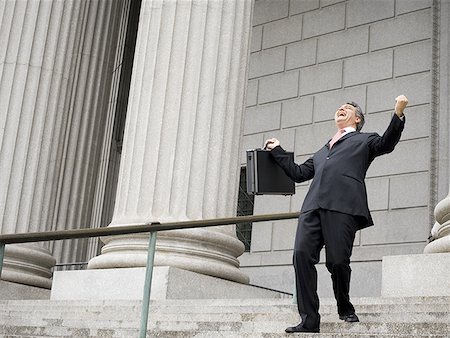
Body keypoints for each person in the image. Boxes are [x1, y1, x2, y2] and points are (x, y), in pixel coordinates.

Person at [264, 95, 408, 333]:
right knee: (301, 255)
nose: (341, 108)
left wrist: (398, 113)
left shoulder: (365, 140)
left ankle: (344, 304)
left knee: (338, 261)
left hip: (343, 207)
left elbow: (386, 144)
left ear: (358, 118)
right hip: (312, 208)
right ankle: (309, 320)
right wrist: (277, 150)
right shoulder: (323, 150)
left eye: (348, 108)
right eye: (339, 107)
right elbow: (299, 173)